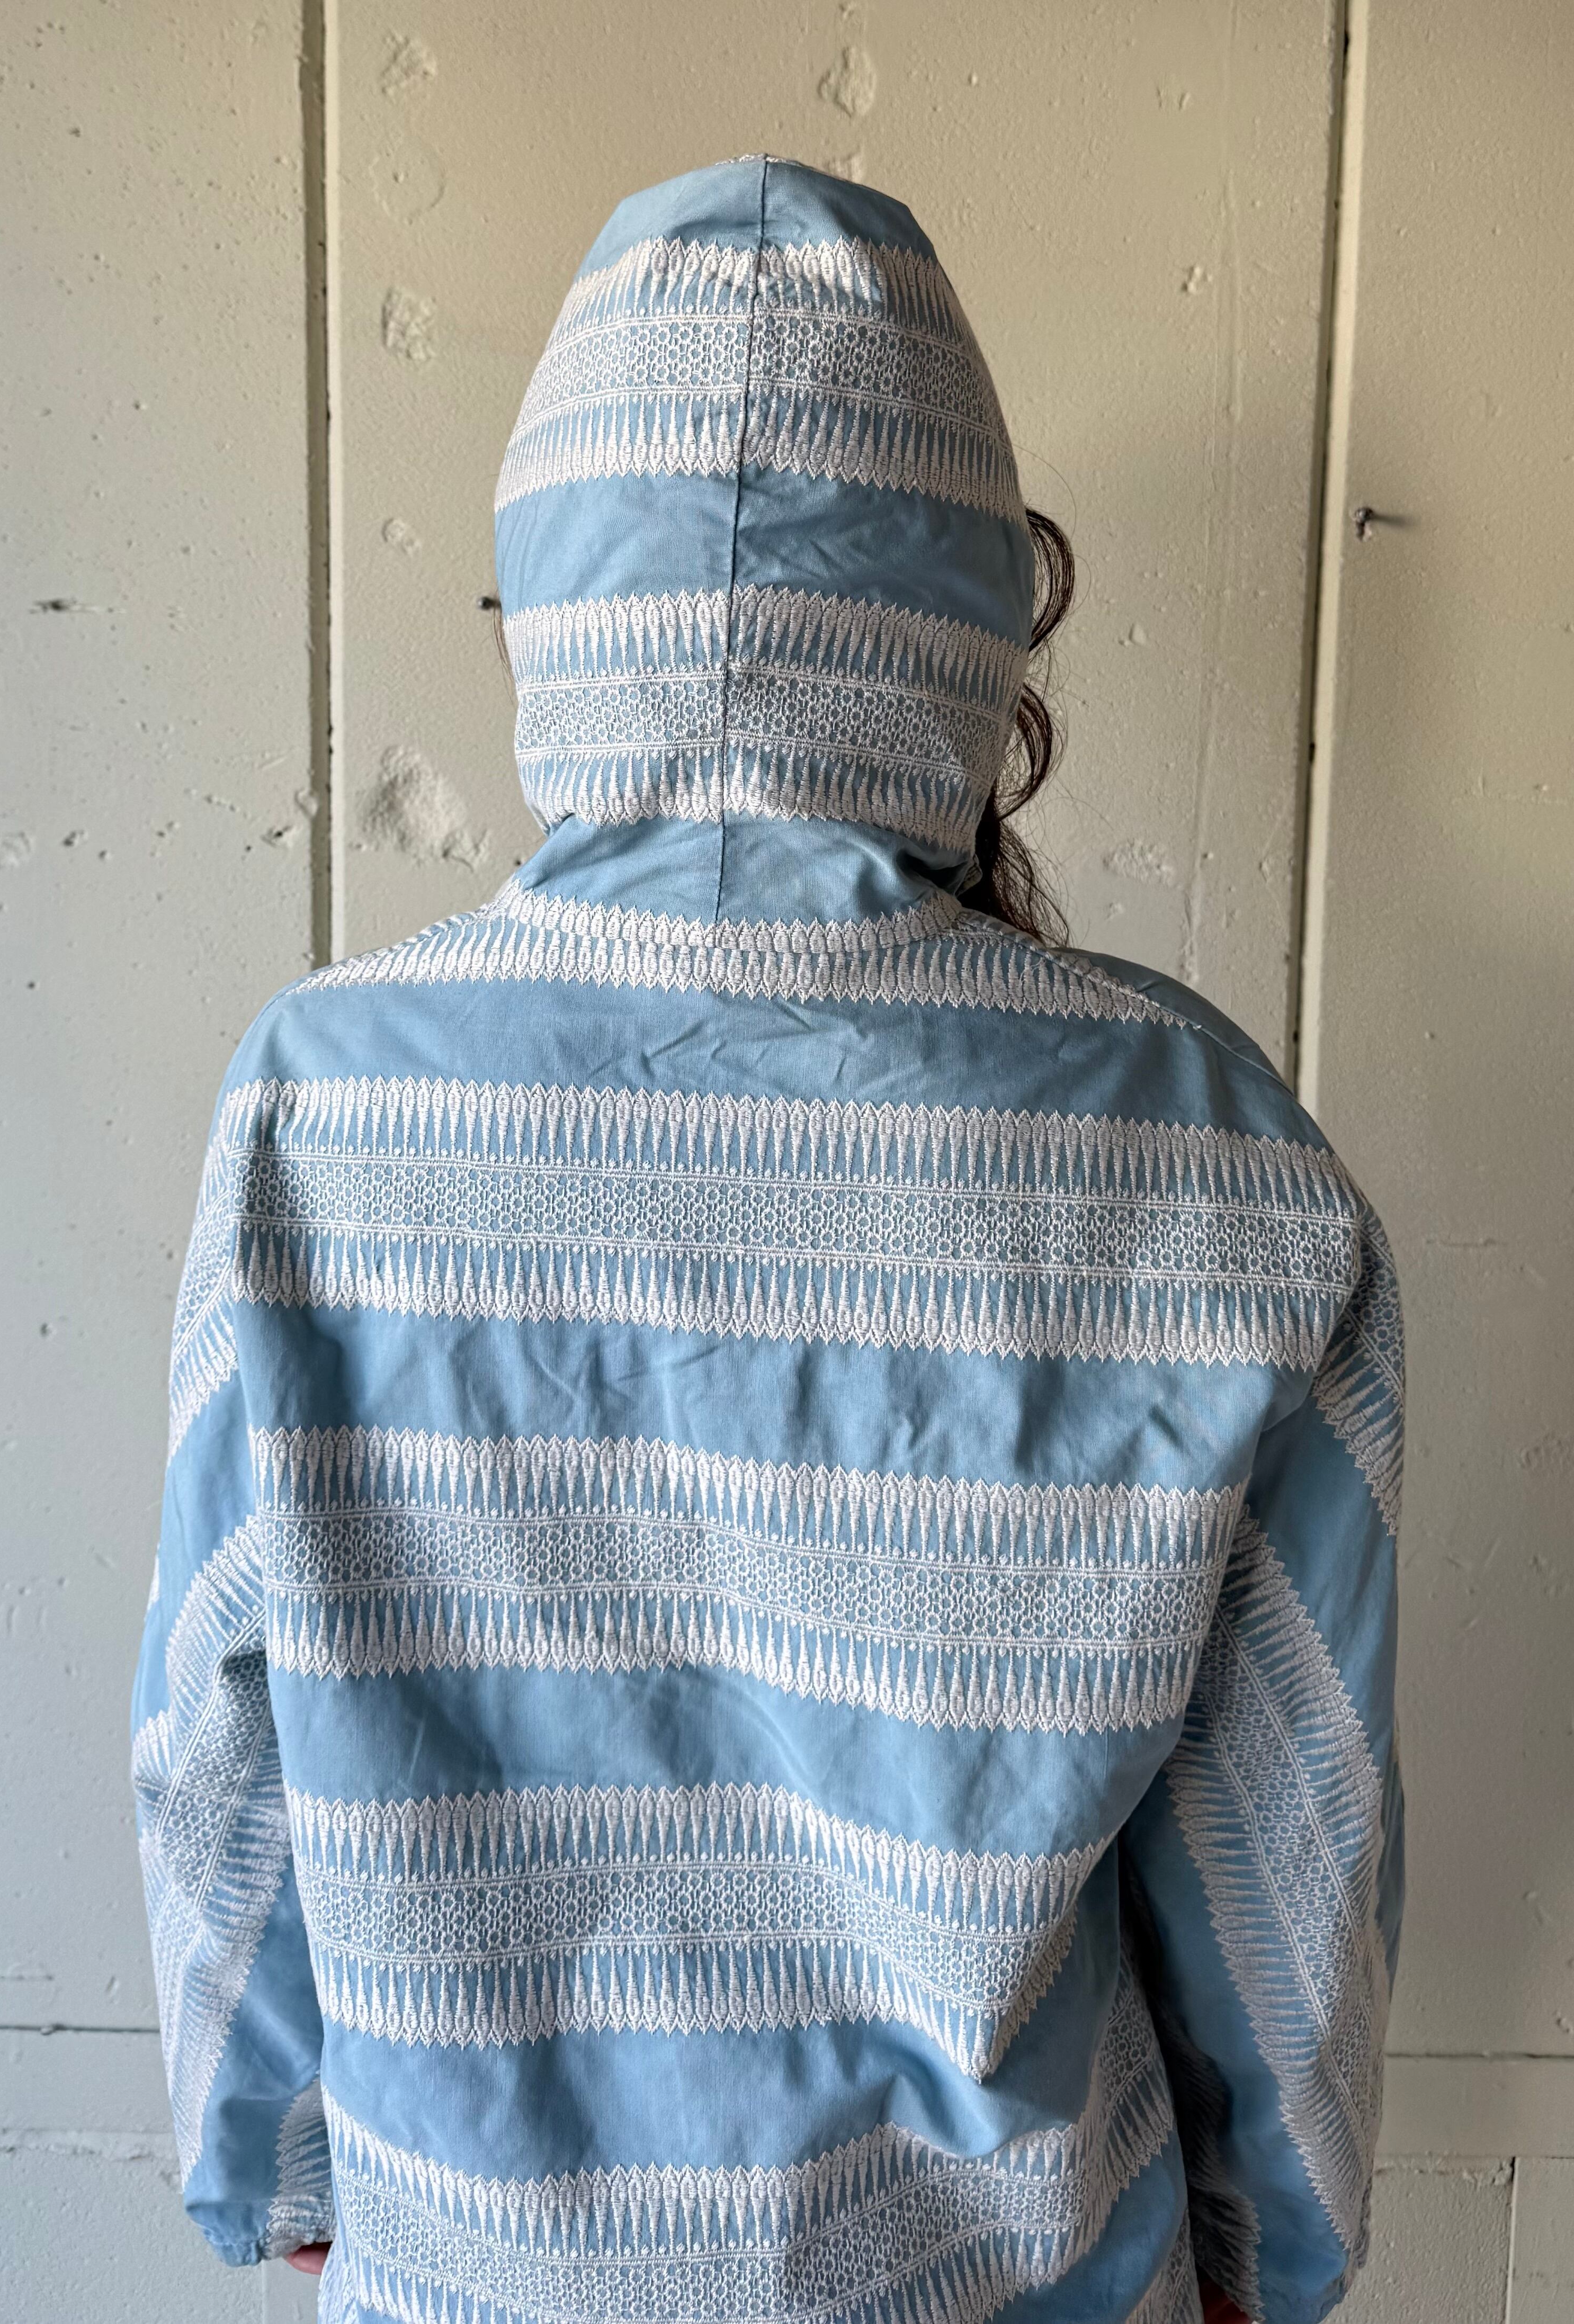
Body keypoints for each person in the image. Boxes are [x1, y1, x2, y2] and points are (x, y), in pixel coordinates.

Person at [132, 156, 1403, 2324]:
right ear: (971, 612)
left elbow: (210, 1752)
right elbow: (1290, 1839)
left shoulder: (320, 1109)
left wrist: (281, 2168)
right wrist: (1263, 2257)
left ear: (558, 600)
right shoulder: (1221, 1164)